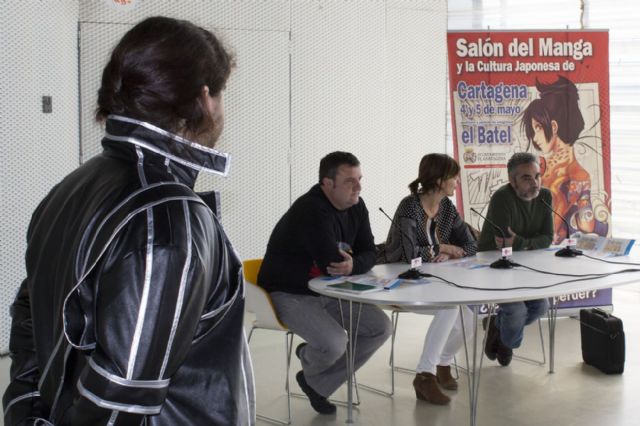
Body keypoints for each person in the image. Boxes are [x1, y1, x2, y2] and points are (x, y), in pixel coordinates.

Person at [3, 17, 255, 426]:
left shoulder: (71, 186)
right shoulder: (167, 219)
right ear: (205, 98)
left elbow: (29, 318)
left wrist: (25, 409)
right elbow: (119, 401)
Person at [258, 151, 392, 415]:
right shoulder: (310, 209)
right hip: (290, 291)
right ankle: (311, 355)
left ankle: (315, 382)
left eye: (360, 179)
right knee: (334, 344)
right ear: (327, 184)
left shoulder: (357, 206)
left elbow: (371, 252)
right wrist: (354, 262)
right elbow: (332, 261)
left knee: (380, 327)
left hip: (330, 289)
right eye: (349, 181)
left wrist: (353, 264)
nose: (359, 187)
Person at [382, 153, 476, 405]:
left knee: (468, 317)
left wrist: (446, 250)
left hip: (432, 281)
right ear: (438, 179)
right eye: (452, 175)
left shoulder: (446, 207)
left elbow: (470, 243)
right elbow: (405, 253)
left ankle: (442, 363)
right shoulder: (409, 206)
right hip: (401, 283)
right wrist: (441, 249)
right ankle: (425, 376)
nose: (457, 179)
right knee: (450, 306)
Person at [477, 152, 553, 366]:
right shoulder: (502, 198)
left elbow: (547, 238)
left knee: (541, 306)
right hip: (493, 266)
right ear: (512, 181)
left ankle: (498, 330)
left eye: (537, 176)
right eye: (527, 178)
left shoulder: (545, 197)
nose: (535, 183)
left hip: (524, 267)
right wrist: (526, 243)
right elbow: (503, 244)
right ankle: (507, 342)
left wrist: (519, 242)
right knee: (517, 310)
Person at [521, 75, 609, 243]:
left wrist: (573, 201)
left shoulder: (579, 176)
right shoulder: (538, 165)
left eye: (537, 128)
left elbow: (587, 226)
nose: (534, 137)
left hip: (551, 250)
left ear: (553, 127)